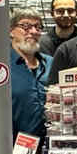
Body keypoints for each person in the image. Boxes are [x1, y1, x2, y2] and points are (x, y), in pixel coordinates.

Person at [8, 8, 52, 138]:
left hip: (51, 145)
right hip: (14, 147)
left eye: (38, 27)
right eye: (25, 26)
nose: (33, 32)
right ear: (11, 30)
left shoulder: (51, 63)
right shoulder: (1, 67)